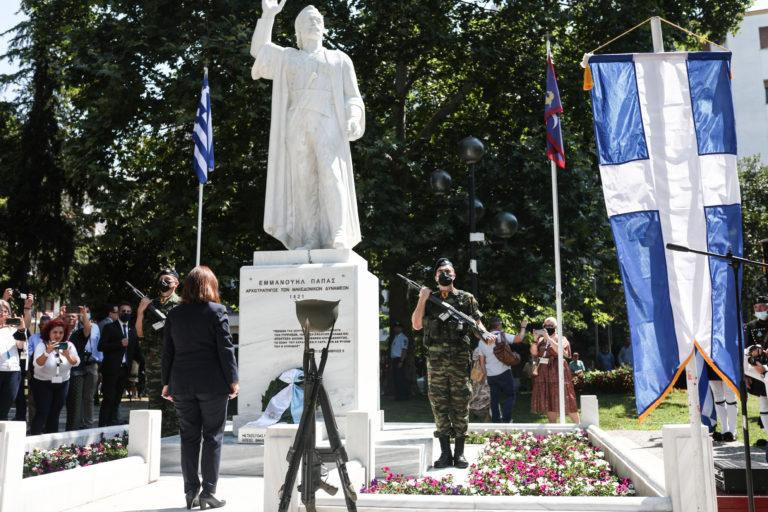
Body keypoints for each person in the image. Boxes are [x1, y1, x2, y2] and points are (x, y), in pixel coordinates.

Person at [250, 0, 365, 250]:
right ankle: (310, 237)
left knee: (331, 175)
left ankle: (338, 232)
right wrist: (268, 16)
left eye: (317, 21)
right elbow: (260, 51)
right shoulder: (289, 57)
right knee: (303, 181)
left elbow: (353, 97)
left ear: (323, 29)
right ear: (298, 31)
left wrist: (354, 118)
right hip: (297, 123)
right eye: (307, 22)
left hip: (328, 122)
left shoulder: (339, 59)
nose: (313, 24)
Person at [162, 266, 239, 510]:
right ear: (210, 285)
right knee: (213, 437)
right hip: (212, 384)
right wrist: (233, 380)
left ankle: (191, 491)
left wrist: (166, 383)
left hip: (182, 384)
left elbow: (168, 352)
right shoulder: (217, 311)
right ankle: (209, 492)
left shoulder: (174, 314)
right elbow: (225, 349)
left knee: (189, 438)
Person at [411, 257, 496, 469]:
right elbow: (416, 325)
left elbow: (476, 323)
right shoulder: (429, 299)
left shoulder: (466, 299)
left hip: (459, 363)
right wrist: (422, 298)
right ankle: (444, 454)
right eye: (440, 272)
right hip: (436, 364)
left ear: (454, 275)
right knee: (439, 408)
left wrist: (485, 334)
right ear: (435, 276)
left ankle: (459, 454)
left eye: (447, 271)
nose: (444, 274)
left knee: (460, 406)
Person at [136, 267, 182, 435]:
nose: (163, 283)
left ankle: (172, 441)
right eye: (160, 279)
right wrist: (141, 311)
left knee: (173, 406)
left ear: (176, 283)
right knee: (155, 405)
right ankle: (155, 440)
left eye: (167, 280)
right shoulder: (150, 305)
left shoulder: (182, 304)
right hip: (154, 363)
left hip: (174, 363)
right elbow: (140, 333)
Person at [30, 318, 80, 435]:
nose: (57, 335)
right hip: (43, 383)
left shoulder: (69, 345)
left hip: (62, 383)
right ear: (49, 332)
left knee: (55, 413)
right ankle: (34, 440)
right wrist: (48, 352)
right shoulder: (42, 346)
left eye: (61, 333)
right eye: (55, 332)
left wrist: (67, 355)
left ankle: (51, 444)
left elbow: (76, 362)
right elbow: (37, 364)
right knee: (43, 412)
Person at [98, 301, 143, 426]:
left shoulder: (132, 330)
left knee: (117, 399)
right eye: (123, 311)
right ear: (118, 313)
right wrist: (119, 343)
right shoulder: (110, 327)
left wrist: (144, 365)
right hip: (111, 369)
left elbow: (136, 352)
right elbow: (101, 346)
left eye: (128, 312)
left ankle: (112, 426)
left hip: (124, 370)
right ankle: (101, 427)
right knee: (108, 399)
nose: (126, 314)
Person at [477, 316, 527, 423]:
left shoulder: (482, 341)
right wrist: (523, 327)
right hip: (504, 372)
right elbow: (520, 338)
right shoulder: (502, 335)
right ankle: (507, 420)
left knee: (494, 400)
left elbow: (482, 360)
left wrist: (485, 375)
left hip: (491, 375)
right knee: (511, 395)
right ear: (499, 326)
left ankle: (496, 422)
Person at [530, 317, 580, 423]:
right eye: (545, 326)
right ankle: (554, 427)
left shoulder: (562, 338)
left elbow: (562, 352)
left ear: (556, 327)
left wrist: (549, 339)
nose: (547, 328)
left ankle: (578, 425)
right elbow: (534, 353)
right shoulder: (540, 340)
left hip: (558, 371)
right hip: (544, 372)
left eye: (550, 325)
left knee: (566, 397)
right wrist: (535, 339)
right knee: (548, 398)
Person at [63, 305, 100, 430]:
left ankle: (72, 431)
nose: (70, 319)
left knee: (75, 405)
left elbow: (87, 330)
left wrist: (84, 315)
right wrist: (60, 314)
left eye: (73, 316)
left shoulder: (79, 333)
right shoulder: (59, 331)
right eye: (67, 317)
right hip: (58, 372)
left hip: (76, 373)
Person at [744, 295, 768, 446]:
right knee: (763, 404)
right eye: (756, 308)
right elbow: (746, 348)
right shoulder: (750, 326)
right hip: (757, 368)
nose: (759, 310)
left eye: (762, 307)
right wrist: (746, 373)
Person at [0, 299, 28, 420]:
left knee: (4, 409)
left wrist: (21, 330)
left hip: (12, 371)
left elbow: (21, 345)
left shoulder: (14, 330)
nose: (2, 314)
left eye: (5, 311)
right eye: (0, 311)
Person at [390, 321, 409, 401]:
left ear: (402, 329)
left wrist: (401, 361)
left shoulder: (403, 338)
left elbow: (404, 350)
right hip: (395, 359)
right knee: (396, 378)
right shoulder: (396, 337)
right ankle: (398, 396)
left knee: (401, 378)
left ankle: (403, 396)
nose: (396, 329)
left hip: (399, 359)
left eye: (398, 327)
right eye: (395, 327)